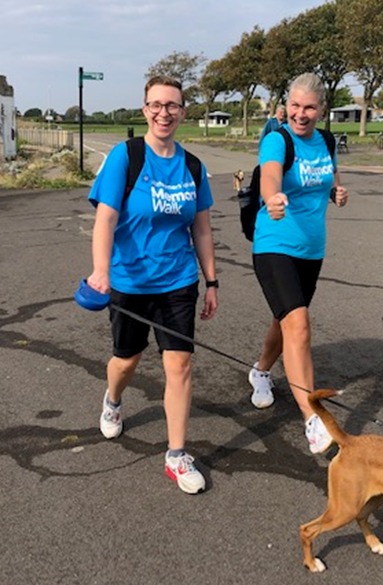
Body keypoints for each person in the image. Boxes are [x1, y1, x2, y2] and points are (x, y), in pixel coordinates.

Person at [86, 75, 218, 494]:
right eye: (156, 105)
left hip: (177, 281)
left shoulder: (193, 166)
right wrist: (100, 271)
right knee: (127, 361)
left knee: (179, 365)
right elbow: (105, 219)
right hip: (127, 281)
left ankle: (177, 455)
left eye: (173, 105)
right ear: (144, 109)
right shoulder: (125, 157)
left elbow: (201, 229)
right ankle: (113, 399)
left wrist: (211, 280)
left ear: (182, 111)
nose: (164, 112)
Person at [249, 73, 348, 454]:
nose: (300, 113)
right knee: (299, 324)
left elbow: (331, 179)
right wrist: (272, 197)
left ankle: (260, 372)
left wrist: (339, 193)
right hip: (274, 244)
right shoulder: (278, 139)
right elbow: (270, 177)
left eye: (309, 107)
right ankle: (312, 418)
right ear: (286, 104)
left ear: (321, 109)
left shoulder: (325, 141)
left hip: (312, 250)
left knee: (286, 319)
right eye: (294, 105)